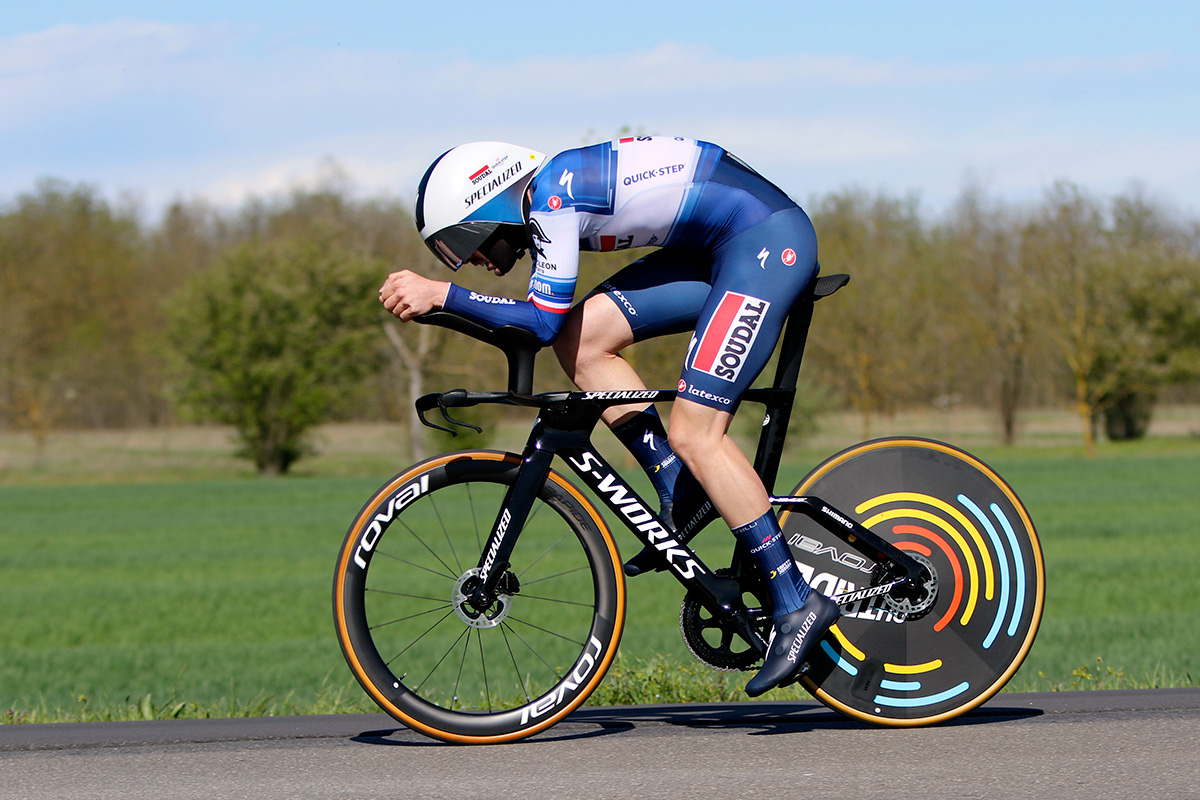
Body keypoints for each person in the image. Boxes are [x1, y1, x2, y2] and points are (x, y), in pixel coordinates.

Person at [379, 136, 839, 696]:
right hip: (716, 249)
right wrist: (447, 301)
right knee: (581, 339)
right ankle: (679, 486)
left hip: (765, 242)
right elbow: (551, 330)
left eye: (461, 241)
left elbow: (538, 321)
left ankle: (795, 601)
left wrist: (445, 295)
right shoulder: (548, 196)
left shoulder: (551, 195)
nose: (468, 258)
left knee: (696, 430)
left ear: (486, 205)